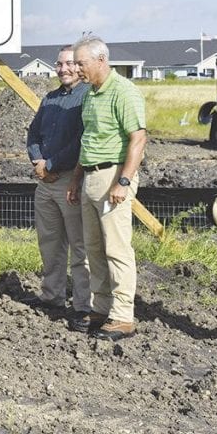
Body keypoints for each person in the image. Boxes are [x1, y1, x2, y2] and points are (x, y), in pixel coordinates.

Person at [66, 34, 147, 340]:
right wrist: (76, 179)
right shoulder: (90, 94)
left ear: (101, 60)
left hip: (113, 176)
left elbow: (138, 139)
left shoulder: (124, 92)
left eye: (81, 63)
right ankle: (101, 308)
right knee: (94, 249)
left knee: (116, 249)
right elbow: (88, 141)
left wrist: (123, 181)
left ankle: (124, 316)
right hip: (90, 176)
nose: (76, 69)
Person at [25, 45, 92, 324]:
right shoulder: (50, 98)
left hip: (70, 180)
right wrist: (38, 162)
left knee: (80, 245)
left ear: (78, 66)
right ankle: (51, 295)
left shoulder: (87, 97)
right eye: (59, 64)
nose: (63, 69)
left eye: (69, 64)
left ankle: (83, 304)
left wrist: (51, 166)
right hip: (45, 182)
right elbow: (33, 134)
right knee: (50, 243)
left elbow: (81, 140)